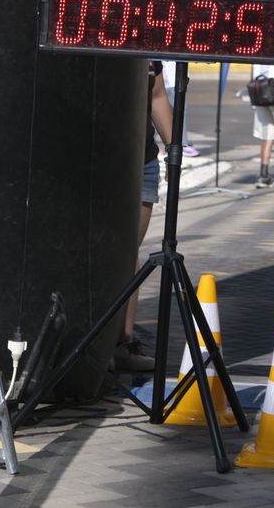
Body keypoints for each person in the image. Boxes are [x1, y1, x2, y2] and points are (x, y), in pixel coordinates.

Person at [113, 60, 175, 372]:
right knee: (104, 254)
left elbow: (157, 95)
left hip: (143, 162)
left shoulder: (147, 47)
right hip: (102, 157)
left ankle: (123, 343)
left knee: (127, 256)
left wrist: (173, 147)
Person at [161, 60, 199, 158]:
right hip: (170, 81)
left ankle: (181, 143)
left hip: (176, 79)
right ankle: (182, 144)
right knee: (179, 111)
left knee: (177, 111)